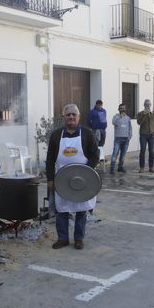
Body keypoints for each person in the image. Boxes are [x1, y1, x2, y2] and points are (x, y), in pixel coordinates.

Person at [46, 103, 99, 250]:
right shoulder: (56, 135)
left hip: (82, 180)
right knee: (61, 209)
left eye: (73, 114)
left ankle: (78, 238)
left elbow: (95, 156)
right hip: (61, 179)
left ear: (79, 117)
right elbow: (50, 159)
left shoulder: (87, 133)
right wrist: (50, 179)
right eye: (68, 115)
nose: (71, 117)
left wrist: (86, 173)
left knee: (81, 209)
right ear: (64, 117)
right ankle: (62, 238)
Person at [136, 99, 154, 173]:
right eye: (146, 104)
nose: (147, 106)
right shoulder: (140, 113)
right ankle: (142, 167)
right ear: (144, 105)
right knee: (142, 151)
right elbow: (139, 122)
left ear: (150, 105)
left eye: (148, 104)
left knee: (151, 151)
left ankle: (151, 167)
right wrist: (145, 115)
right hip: (143, 135)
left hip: (152, 135)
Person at [110, 103, 132, 174]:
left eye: (123, 108)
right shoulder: (116, 116)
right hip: (118, 139)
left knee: (123, 155)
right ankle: (112, 168)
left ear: (125, 109)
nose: (122, 109)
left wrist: (129, 136)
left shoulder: (128, 118)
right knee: (115, 154)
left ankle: (120, 167)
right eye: (121, 108)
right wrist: (120, 117)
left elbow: (130, 128)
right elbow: (114, 123)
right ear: (119, 109)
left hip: (126, 139)